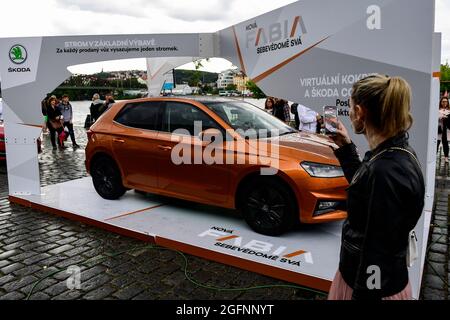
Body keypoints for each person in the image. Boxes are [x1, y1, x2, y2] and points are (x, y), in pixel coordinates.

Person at [327, 74, 425, 300]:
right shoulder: (390, 155)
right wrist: (347, 147)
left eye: (350, 108)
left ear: (360, 112)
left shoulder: (387, 170)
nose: (349, 114)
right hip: (366, 278)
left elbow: (377, 255)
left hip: (371, 288)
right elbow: (365, 190)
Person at [437, 96, 450, 163]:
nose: (444, 103)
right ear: (441, 102)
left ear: (447, 103)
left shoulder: (449, 111)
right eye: (443, 101)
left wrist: (446, 118)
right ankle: (433, 156)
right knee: (437, 143)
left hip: (445, 129)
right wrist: (440, 117)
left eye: (446, 101)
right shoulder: (437, 109)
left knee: (445, 143)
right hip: (438, 129)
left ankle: (446, 157)